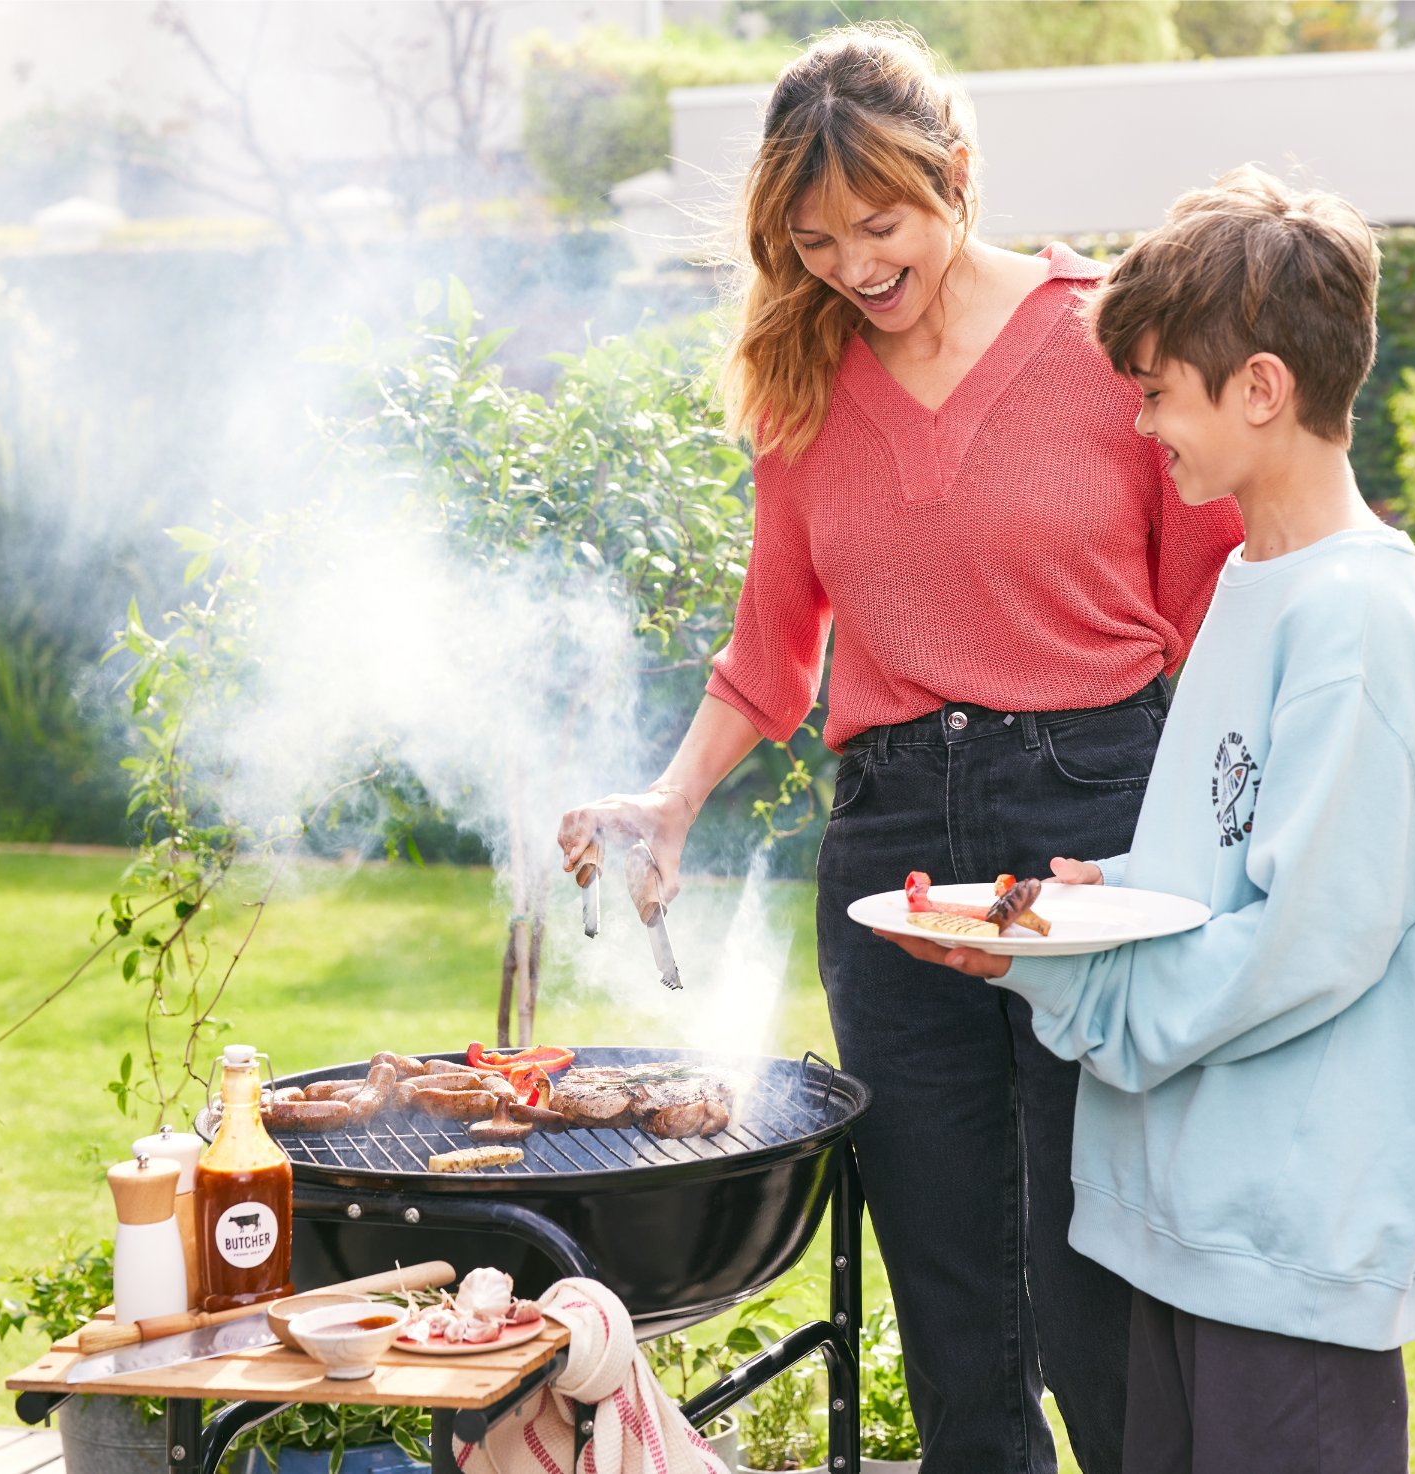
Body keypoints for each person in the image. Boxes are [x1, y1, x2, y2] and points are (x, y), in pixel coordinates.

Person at [556, 25, 1241, 1474]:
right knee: (943, 1275)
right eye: (813, 241)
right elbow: (768, 649)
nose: (854, 265)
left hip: (1089, 826)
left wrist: (1202, 843)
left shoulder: (1110, 334)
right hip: (890, 853)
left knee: (1092, 1260)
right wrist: (667, 804)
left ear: (956, 181)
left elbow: (1212, 611)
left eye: (882, 224)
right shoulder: (802, 386)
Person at [880, 166, 1415, 1474]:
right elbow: (1212, 870)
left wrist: (1093, 998)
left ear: (1259, 388)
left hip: (1287, 1238)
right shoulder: (1250, 590)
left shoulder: (1355, 625)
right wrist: (1060, 918)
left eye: (1157, 390)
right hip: (1189, 1216)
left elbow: (1309, 938)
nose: (1141, 422)